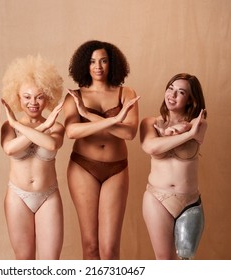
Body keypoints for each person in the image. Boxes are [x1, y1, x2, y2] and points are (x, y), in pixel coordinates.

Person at [63, 40, 140, 259]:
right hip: (83, 167)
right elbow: (72, 131)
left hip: (116, 168)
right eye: (92, 61)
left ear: (112, 64)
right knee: (90, 246)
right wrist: (115, 120)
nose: (98, 66)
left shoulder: (126, 93)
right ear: (84, 65)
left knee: (110, 249)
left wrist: (88, 116)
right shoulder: (74, 95)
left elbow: (129, 133)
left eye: (104, 61)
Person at [0, 55, 65, 260]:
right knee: (24, 262)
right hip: (17, 196)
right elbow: (10, 149)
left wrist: (29, 125)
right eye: (26, 97)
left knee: (50, 264)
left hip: (48, 196)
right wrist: (39, 127)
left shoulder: (56, 126)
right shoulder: (7, 127)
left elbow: (52, 144)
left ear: (48, 97)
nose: (33, 103)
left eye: (39, 96)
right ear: (17, 98)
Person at [140, 73, 207, 260]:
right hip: (157, 199)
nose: (172, 95)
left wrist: (174, 132)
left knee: (184, 263)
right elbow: (150, 146)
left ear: (190, 99)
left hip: (190, 201)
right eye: (170, 88)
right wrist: (187, 135)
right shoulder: (149, 123)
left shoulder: (199, 125)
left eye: (181, 92)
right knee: (165, 262)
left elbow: (198, 134)